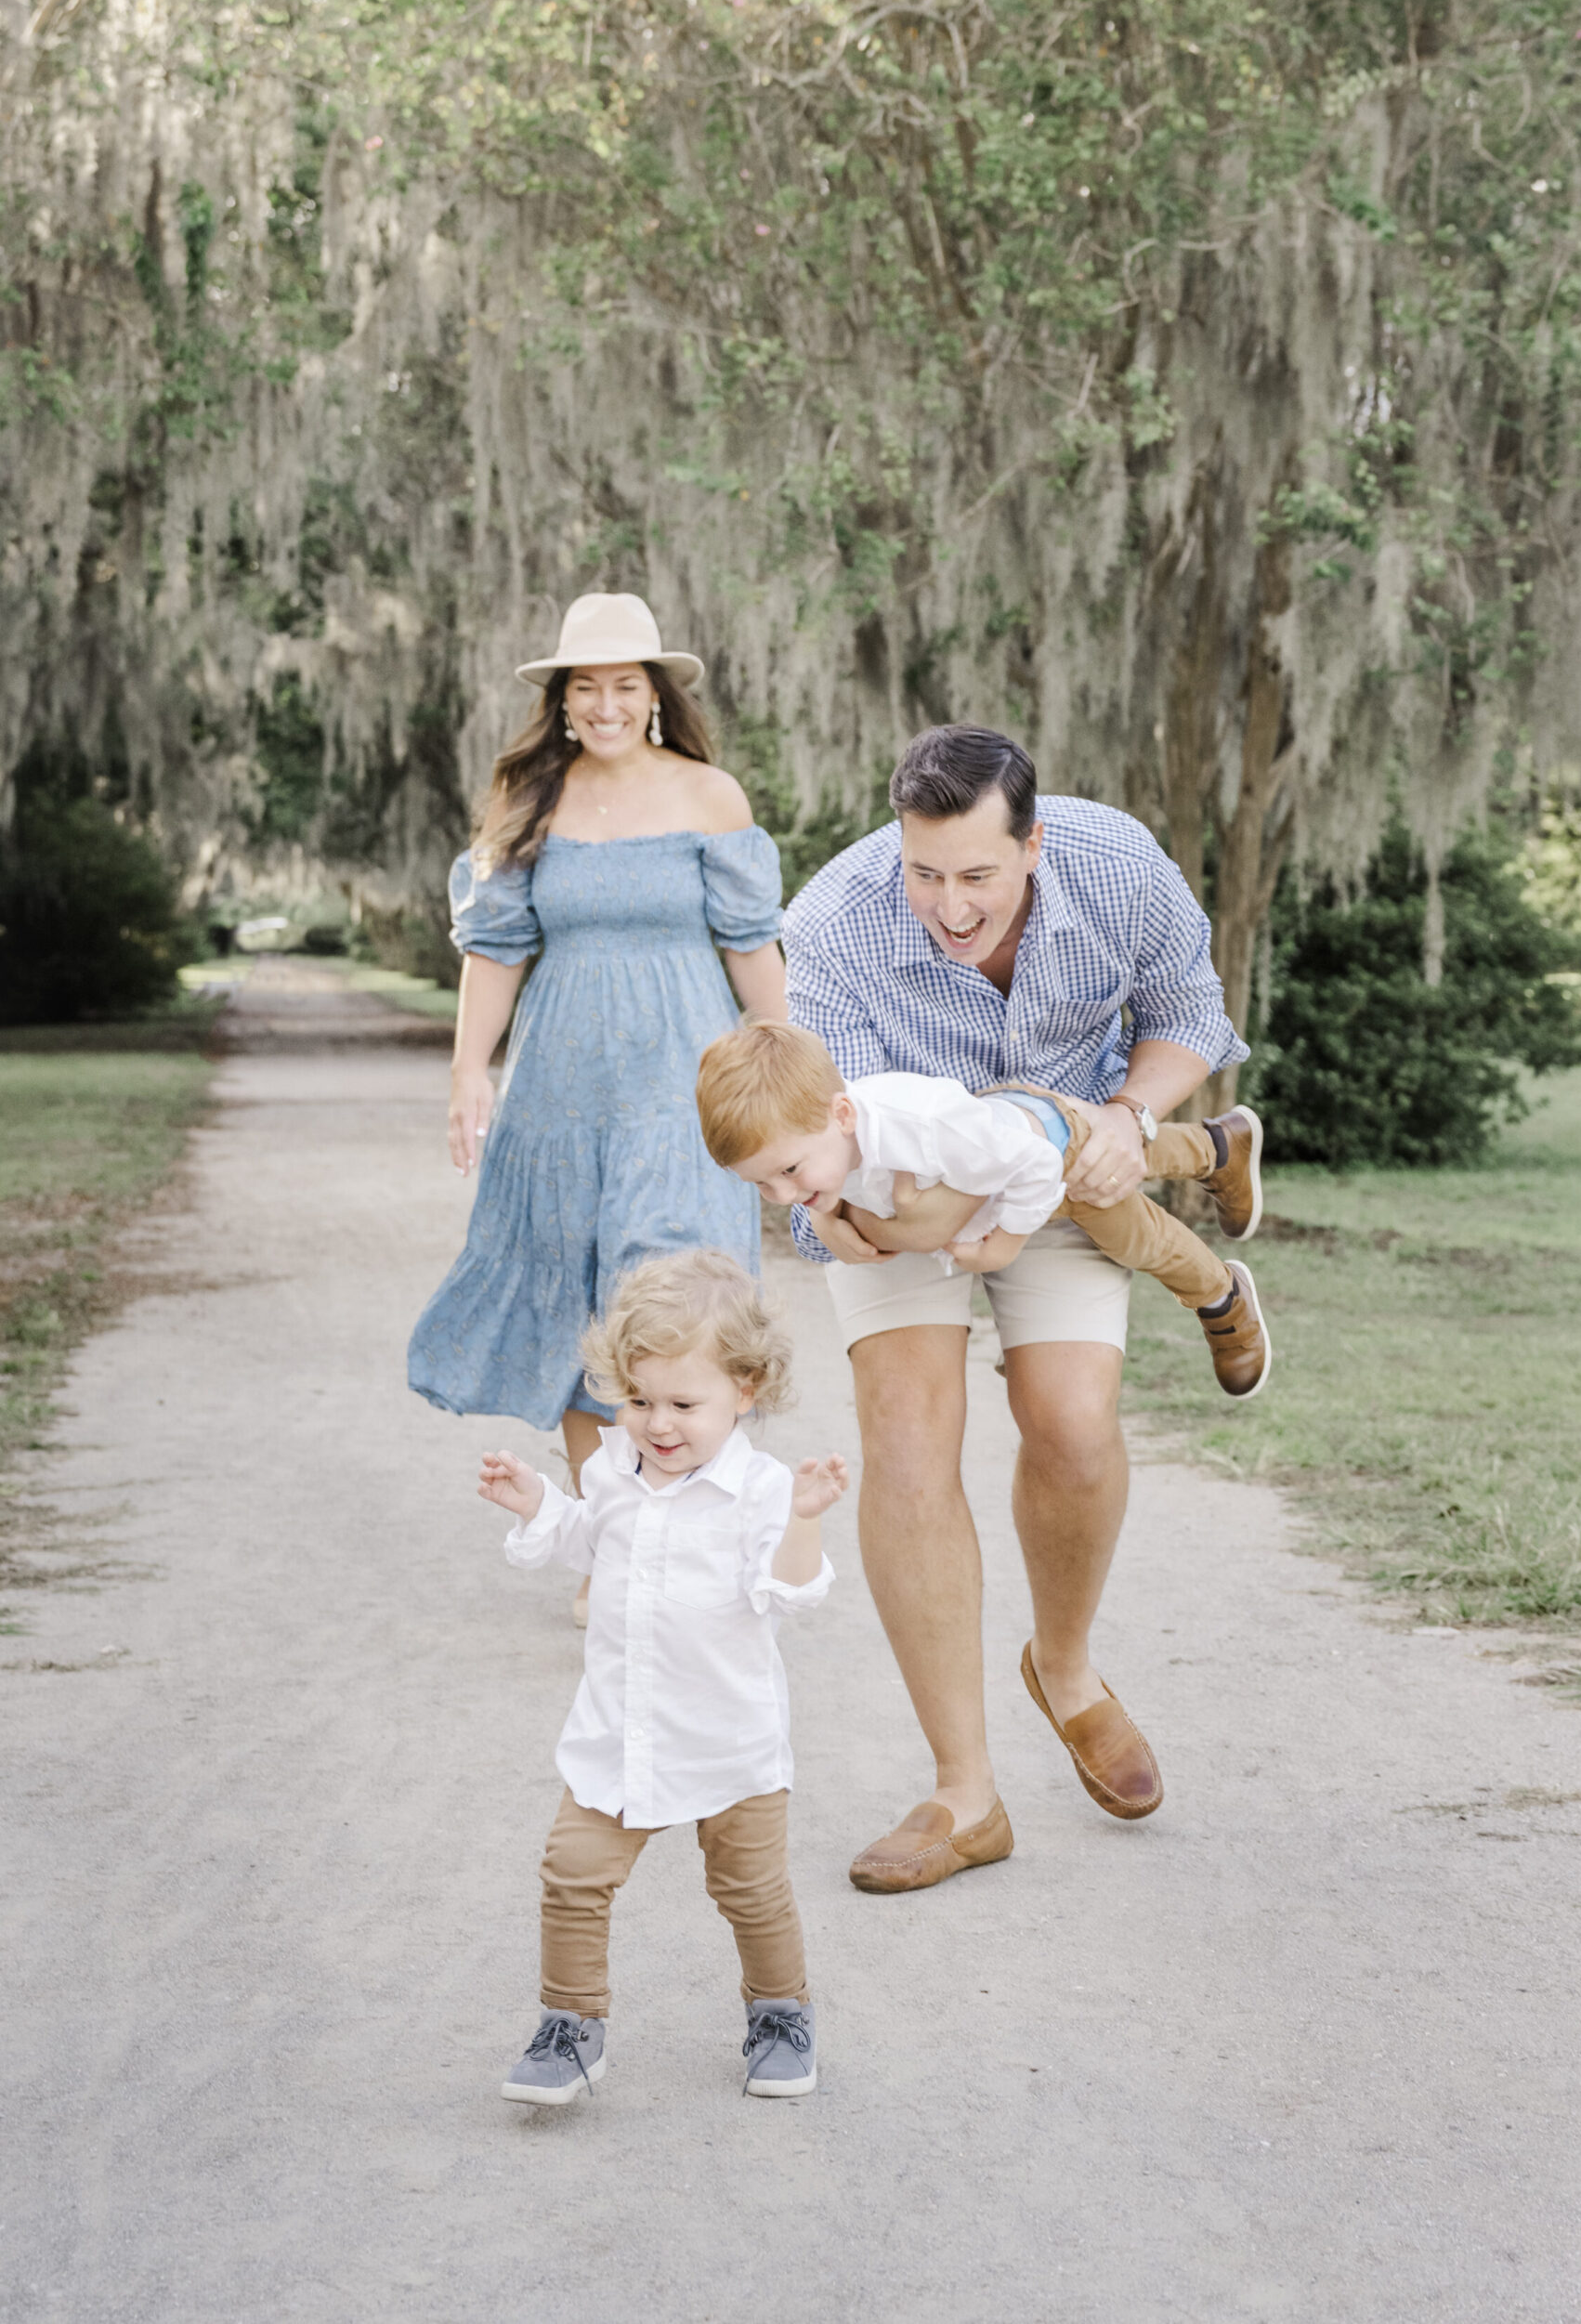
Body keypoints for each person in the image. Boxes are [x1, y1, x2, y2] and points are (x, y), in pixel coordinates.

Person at [779, 723, 1250, 1894]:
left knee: (1073, 1426)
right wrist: (850, 1219)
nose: (948, 904)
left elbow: (1189, 1009)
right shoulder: (833, 923)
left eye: (978, 875)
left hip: (1059, 1170)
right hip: (899, 1200)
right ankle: (964, 1796)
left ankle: (1068, 1666)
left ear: (1032, 845)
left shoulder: (1117, 863)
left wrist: (1129, 1119)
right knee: (904, 1434)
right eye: (924, 871)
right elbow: (826, 1150)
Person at [409, 593, 788, 1621]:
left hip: (683, 1090)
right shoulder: (527, 804)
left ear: (655, 696)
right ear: (564, 701)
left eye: (627, 685)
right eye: (589, 686)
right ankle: (614, 1548)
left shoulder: (710, 796)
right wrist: (467, 1071)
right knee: (589, 1319)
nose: (608, 703)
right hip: (561, 1094)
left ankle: (697, 1546)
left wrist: (789, 1069)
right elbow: (494, 952)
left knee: (670, 1297)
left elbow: (752, 947)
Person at [477, 1250, 845, 2104]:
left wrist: (803, 1520)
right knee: (571, 1874)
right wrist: (540, 1504)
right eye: (639, 1400)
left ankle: (780, 2014)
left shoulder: (760, 1490)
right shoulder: (609, 1471)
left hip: (729, 1743)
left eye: (685, 1403)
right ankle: (571, 2026)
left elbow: (791, 1591)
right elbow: (585, 1542)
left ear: (744, 1390)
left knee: (751, 1891)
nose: (658, 1423)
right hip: (621, 1731)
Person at [694, 1021, 1270, 1398]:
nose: (783, 1196)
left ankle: (1220, 1293)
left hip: (1040, 1153)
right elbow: (821, 1183)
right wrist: (821, 1213)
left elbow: (1035, 1169)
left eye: (789, 1172)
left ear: (843, 1116)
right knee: (1120, 1152)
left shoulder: (915, 1130)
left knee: (1131, 1229)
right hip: (994, 1148)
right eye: (761, 1184)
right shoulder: (823, 1138)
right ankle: (1220, 1147)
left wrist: (1006, 1244)